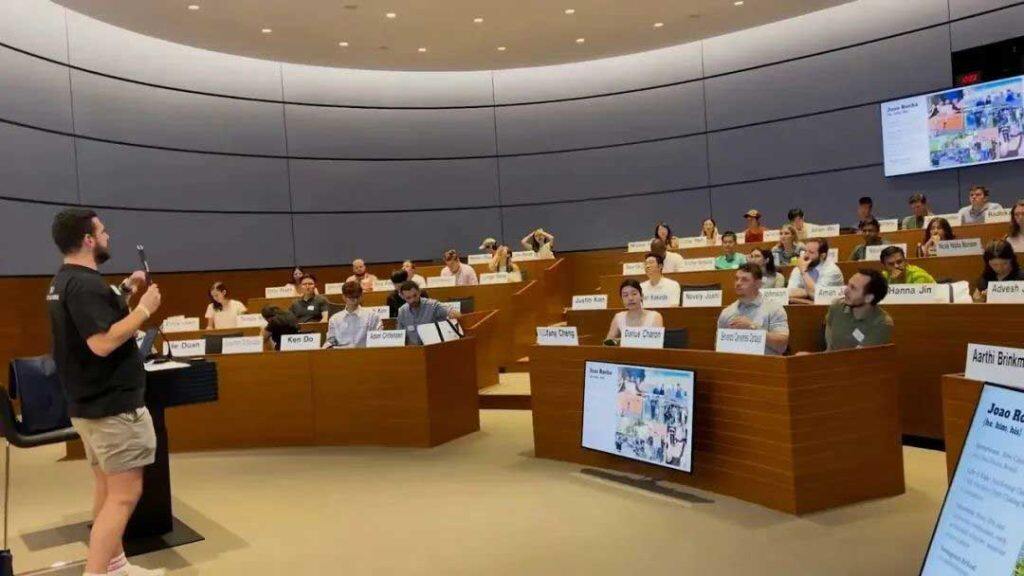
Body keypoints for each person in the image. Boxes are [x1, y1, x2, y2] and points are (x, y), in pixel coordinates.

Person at [46, 208, 166, 576]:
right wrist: (144, 310)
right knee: (123, 497)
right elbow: (102, 341)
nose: (107, 235)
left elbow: (98, 316)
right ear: (88, 240)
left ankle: (115, 566)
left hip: (90, 407)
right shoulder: (85, 285)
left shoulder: (65, 282)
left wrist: (126, 290)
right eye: (102, 231)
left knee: (107, 489)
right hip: (113, 408)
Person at [717, 263, 790, 355]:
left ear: (758, 284)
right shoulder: (726, 312)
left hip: (766, 362)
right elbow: (719, 349)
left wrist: (752, 327)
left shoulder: (774, 309)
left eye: (744, 279)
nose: (738, 283)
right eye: (736, 279)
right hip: (735, 362)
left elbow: (782, 346)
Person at [824, 269, 893, 350]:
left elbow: (859, 356)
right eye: (848, 285)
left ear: (868, 298)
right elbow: (829, 346)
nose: (845, 291)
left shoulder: (882, 323)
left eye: (853, 288)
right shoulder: (836, 307)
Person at [396, 281, 460, 345]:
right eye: (408, 298)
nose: (413, 300)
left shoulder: (432, 305)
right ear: (402, 297)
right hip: (414, 348)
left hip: (434, 346)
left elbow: (454, 313)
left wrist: (452, 313)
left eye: (415, 296)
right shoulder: (402, 311)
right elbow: (400, 336)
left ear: (419, 292)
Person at [324, 281, 383, 349]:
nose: (354, 300)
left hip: (366, 353)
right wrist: (327, 346)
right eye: (350, 297)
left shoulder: (372, 316)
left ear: (361, 296)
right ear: (344, 297)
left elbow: (378, 339)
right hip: (341, 353)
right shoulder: (334, 319)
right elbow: (331, 341)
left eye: (356, 297)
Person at [787, 238, 844, 304]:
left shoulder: (832, 271)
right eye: (805, 251)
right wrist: (808, 292)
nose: (806, 255)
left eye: (811, 252)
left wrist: (804, 272)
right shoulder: (800, 266)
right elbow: (789, 292)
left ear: (822, 256)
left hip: (829, 308)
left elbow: (818, 296)